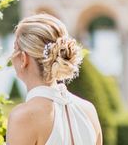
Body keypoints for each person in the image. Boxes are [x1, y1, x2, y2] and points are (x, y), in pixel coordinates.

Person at [7, 13, 103, 145]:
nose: (12, 56)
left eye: (14, 49)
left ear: (23, 58)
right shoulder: (89, 110)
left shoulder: (23, 117)